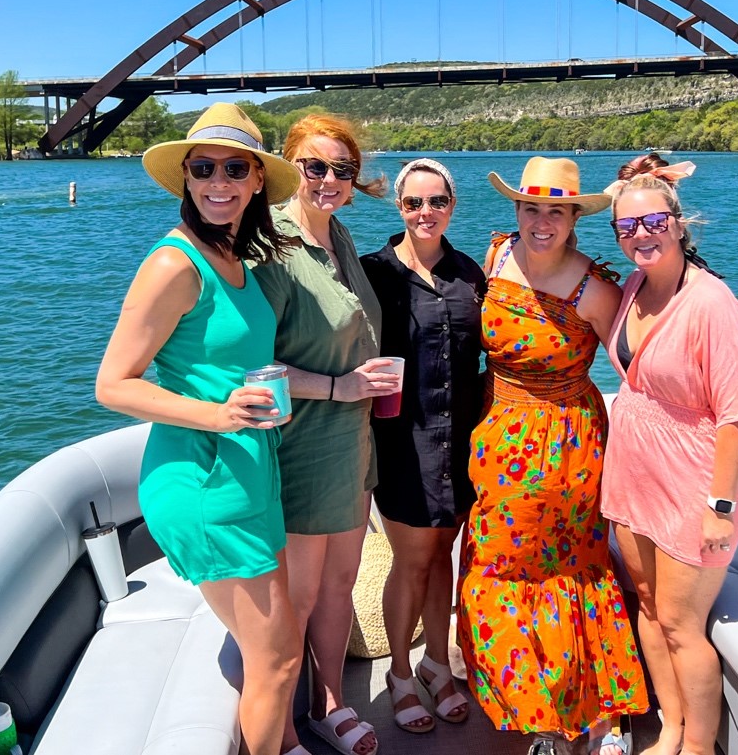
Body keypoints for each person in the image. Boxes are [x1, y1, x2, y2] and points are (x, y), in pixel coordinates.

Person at [94, 103, 304, 755]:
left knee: (277, 648)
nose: (219, 181)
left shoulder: (232, 257)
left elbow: (228, 362)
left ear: (256, 180)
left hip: (248, 469)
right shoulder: (174, 263)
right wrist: (219, 413)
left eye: (234, 167)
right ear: (186, 177)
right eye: (204, 167)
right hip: (204, 479)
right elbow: (113, 383)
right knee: (276, 659)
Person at [458, 157, 649, 755]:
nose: (542, 222)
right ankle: (532, 707)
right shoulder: (494, 260)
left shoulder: (597, 289)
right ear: (515, 210)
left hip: (569, 442)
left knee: (571, 568)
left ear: (574, 218)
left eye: (557, 211)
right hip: (496, 436)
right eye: (531, 208)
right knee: (495, 565)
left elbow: (648, 363)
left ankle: (592, 717)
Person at [602, 154, 738, 755]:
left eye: (652, 222)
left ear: (678, 223)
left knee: (681, 625)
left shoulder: (712, 304)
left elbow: (737, 414)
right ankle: (669, 726)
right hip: (634, 472)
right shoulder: (636, 287)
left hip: (693, 483)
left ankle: (697, 747)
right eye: (627, 227)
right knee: (647, 605)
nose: (641, 235)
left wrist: (720, 507)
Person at [251, 113, 397, 755]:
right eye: (315, 166)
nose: (330, 179)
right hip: (305, 447)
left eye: (343, 169)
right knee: (299, 596)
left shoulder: (338, 237)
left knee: (340, 583)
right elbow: (251, 366)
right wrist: (339, 388)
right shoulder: (271, 250)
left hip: (354, 445)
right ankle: (281, 733)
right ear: (290, 170)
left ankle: (330, 702)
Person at [359, 158, 486, 736]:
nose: (425, 212)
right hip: (402, 442)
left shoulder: (471, 276)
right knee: (412, 561)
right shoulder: (372, 274)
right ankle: (402, 675)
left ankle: (440, 663)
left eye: (436, 201)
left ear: (452, 205)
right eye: (413, 203)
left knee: (444, 557)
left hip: (461, 443)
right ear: (398, 208)